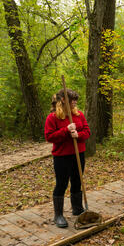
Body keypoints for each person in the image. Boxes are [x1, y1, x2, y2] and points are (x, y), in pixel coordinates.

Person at [44, 89, 90, 228]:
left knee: (77, 180)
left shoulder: (79, 114)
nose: (75, 102)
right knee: (61, 184)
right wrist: (66, 130)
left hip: (78, 153)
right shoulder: (52, 117)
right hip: (62, 156)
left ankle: (77, 208)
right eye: (72, 100)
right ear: (64, 100)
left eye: (76, 100)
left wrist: (78, 134)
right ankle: (58, 215)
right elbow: (49, 137)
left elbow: (87, 132)